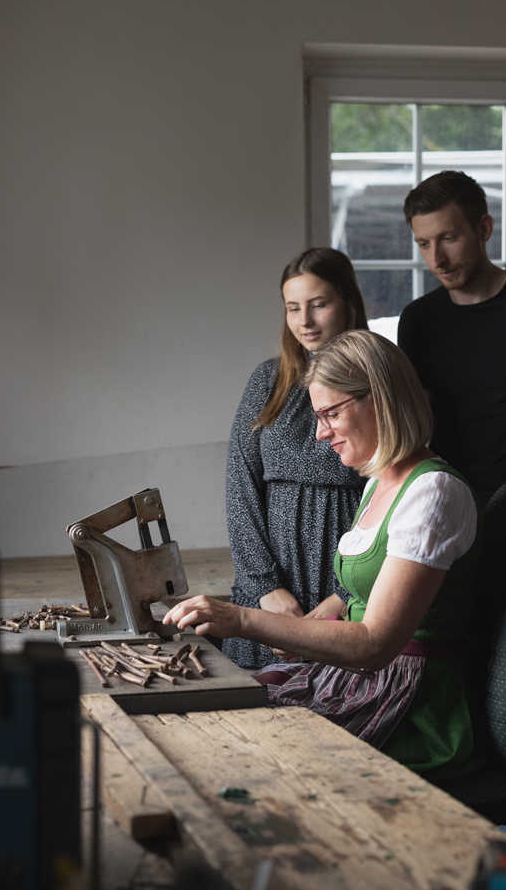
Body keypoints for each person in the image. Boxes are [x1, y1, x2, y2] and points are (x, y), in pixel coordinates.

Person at [166, 330, 481, 778]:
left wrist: (241, 619)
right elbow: (360, 606)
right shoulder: (378, 484)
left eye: (331, 414)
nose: (319, 434)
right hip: (360, 677)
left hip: (410, 702)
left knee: (242, 752)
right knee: (218, 713)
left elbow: (375, 643)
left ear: (381, 400)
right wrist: (302, 633)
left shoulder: (433, 493)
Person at [223, 248, 368, 670]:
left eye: (319, 305)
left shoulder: (376, 380)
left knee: (335, 707)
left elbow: (391, 490)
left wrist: (345, 594)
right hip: (269, 578)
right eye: (293, 308)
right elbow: (240, 484)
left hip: (345, 577)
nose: (304, 321)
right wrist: (263, 585)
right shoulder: (268, 380)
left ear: (348, 304)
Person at [398, 170, 506, 504]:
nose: (436, 259)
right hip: (448, 498)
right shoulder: (417, 320)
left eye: (448, 238)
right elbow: (416, 426)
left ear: (484, 229)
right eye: (424, 244)